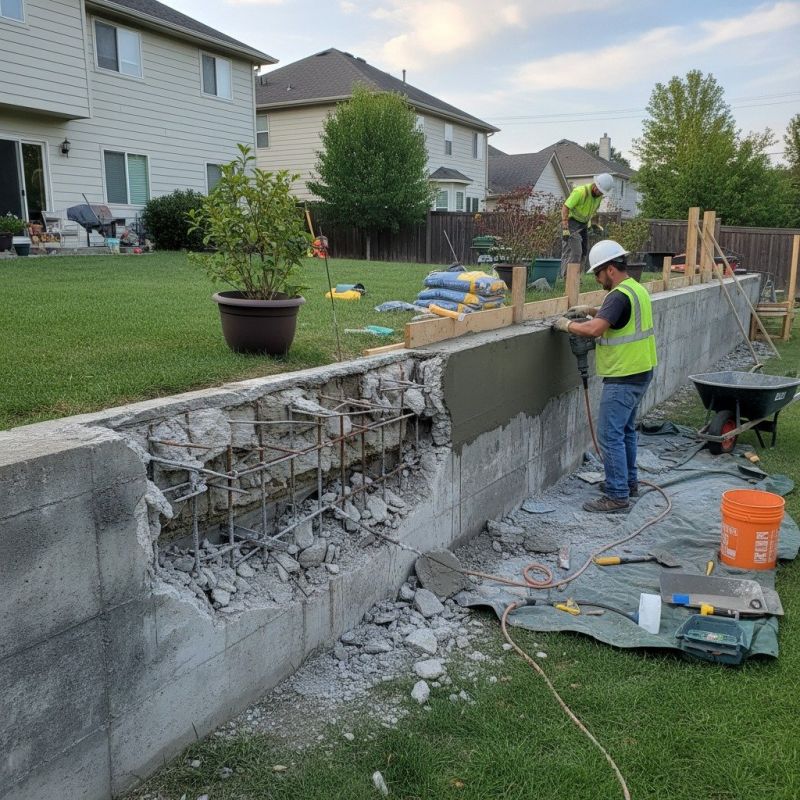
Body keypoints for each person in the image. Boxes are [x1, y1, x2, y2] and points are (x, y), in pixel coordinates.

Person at [552, 240, 658, 513]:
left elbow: (596, 330)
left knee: (610, 436)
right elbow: (616, 318)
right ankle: (627, 483)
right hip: (641, 371)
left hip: (623, 376)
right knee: (625, 432)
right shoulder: (636, 289)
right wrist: (590, 310)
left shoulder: (618, 295)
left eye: (598, 274)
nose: (598, 280)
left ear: (610, 270)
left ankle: (616, 495)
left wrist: (568, 325)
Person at [560, 173, 614, 277]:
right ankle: (569, 278)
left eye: (602, 192)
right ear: (595, 185)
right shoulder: (580, 192)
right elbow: (565, 207)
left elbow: (590, 212)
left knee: (584, 252)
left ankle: (577, 277)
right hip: (571, 223)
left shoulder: (599, 197)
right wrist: (565, 225)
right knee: (575, 252)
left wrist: (594, 225)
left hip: (583, 224)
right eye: (599, 190)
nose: (600, 194)